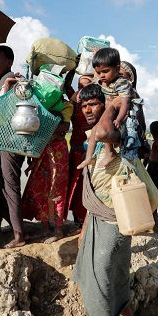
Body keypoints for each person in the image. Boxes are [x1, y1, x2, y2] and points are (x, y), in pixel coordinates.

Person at [73, 83, 157, 316]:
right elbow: (97, 192)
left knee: (101, 278)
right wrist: (85, 228)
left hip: (112, 222)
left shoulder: (110, 139)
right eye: (84, 106)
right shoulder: (93, 141)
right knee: (116, 275)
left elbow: (106, 131)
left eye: (93, 104)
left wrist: (111, 106)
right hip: (101, 219)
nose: (88, 110)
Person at [0, 45, 30, 249]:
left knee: (10, 185)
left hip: (9, 143)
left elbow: (5, 114)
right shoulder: (3, 83)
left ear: (9, 62)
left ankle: (19, 235)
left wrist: (5, 90)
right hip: (3, 143)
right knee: (2, 186)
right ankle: (13, 227)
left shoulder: (12, 81)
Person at [77, 48, 132, 169]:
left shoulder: (121, 83)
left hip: (118, 114)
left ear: (117, 69)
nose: (101, 75)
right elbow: (94, 82)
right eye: (99, 72)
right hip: (107, 114)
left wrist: (118, 119)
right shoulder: (103, 81)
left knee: (103, 132)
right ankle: (88, 158)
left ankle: (110, 152)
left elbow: (125, 103)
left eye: (105, 71)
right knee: (94, 134)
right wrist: (81, 94)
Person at [21, 108, 70, 243]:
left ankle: (58, 229)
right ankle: (46, 228)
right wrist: (31, 167)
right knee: (39, 196)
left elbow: (60, 164)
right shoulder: (47, 139)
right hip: (42, 175)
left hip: (57, 177)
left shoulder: (60, 142)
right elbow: (39, 155)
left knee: (57, 197)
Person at [65, 74, 96, 235]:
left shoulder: (94, 104)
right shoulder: (75, 102)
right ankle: (78, 221)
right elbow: (66, 84)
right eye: (79, 86)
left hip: (89, 151)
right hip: (75, 149)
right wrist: (73, 67)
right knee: (75, 188)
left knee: (88, 186)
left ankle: (86, 223)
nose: (81, 90)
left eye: (86, 86)